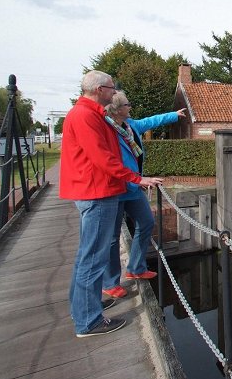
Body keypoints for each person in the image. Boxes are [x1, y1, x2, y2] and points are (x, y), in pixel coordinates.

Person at [60, 70, 162, 338]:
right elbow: (102, 158)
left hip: (98, 190)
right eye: (111, 87)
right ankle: (89, 321)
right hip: (97, 192)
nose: (113, 92)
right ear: (99, 89)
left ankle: (83, 308)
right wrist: (137, 179)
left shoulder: (89, 113)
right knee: (93, 258)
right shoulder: (86, 116)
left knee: (88, 256)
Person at [101, 91, 186, 298]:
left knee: (147, 222)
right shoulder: (107, 131)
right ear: (118, 109)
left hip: (133, 188)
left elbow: (151, 121)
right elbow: (109, 163)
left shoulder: (130, 126)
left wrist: (174, 115)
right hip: (116, 188)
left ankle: (135, 268)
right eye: (128, 104)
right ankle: (110, 283)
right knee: (111, 238)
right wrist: (136, 179)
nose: (131, 107)